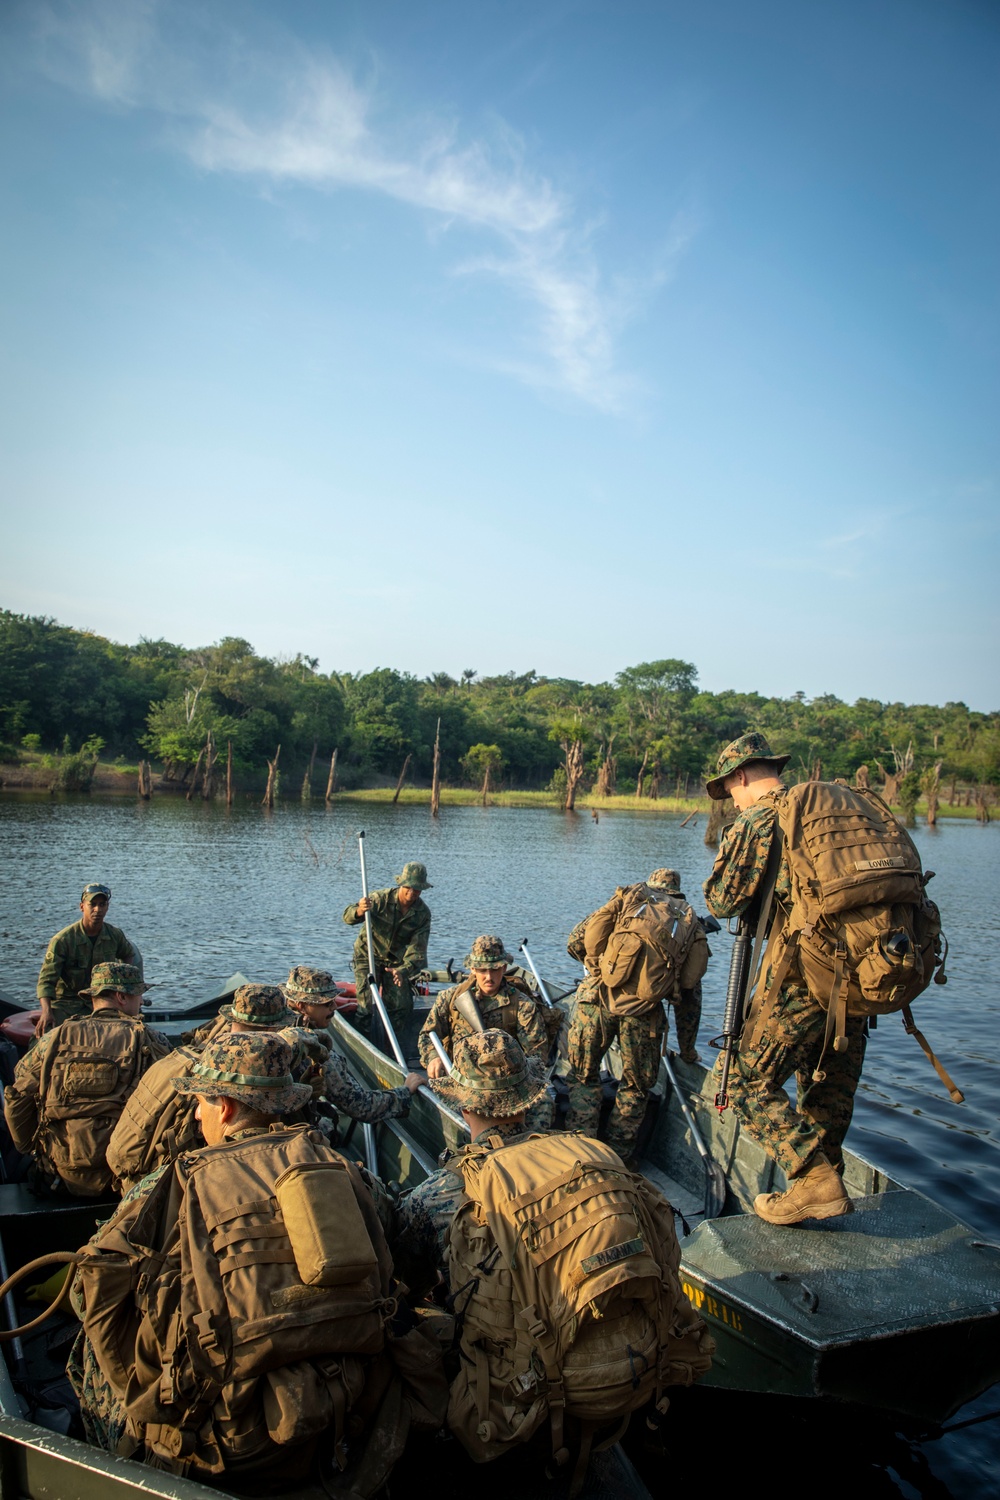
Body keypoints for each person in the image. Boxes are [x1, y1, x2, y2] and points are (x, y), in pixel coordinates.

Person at [70, 1031, 446, 1490]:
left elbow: (94, 1284)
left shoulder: (172, 1184)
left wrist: (140, 1383)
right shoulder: (345, 1171)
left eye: (202, 1103)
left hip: (222, 1439)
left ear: (225, 1108)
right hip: (344, 1413)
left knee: (83, 1351)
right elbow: (399, 1248)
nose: (195, 1112)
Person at [392, 1030, 712, 1474]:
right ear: (528, 1102)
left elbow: (405, 1280)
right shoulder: (596, 1156)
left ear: (463, 1106)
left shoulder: (444, 1192)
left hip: (520, 1397)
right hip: (630, 1370)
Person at [703, 731, 858, 1225]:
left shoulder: (762, 817)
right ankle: (820, 1193)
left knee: (745, 1081)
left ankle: (814, 1182)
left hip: (803, 976)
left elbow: (723, 901)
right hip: (862, 977)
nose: (730, 797)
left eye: (729, 788)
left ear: (741, 775)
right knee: (826, 1093)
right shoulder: (834, 811)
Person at [108, 979, 422, 1194]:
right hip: (232, 1168)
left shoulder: (199, 1046)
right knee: (326, 1128)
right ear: (275, 1026)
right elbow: (361, 1106)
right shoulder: (293, 1054)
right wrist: (405, 1092)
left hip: (151, 1172)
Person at [566, 868, 709, 1165]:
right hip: (645, 1012)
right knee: (635, 1089)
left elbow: (576, 941)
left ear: (650, 885)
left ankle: (579, 1157)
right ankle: (618, 1164)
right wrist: (687, 1048)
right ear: (678, 893)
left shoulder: (628, 900)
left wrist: (599, 968)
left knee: (584, 1077)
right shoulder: (688, 921)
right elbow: (690, 994)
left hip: (596, 998)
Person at [4, 961, 170, 1197]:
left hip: (58, 1175)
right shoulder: (150, 1040)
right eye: (138, 995)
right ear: (121, 997)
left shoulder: (53, 1040)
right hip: (124, 1182)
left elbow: (17, 1098)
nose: (141, 1002)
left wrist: (30, 1148)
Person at [418, 934, 552, 1130]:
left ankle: (527, 1146)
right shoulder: (451, 999)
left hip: (507, 1083)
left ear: (504, 968)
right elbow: (427, 1035)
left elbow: (537, 1055)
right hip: (462, 1081)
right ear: (472, 968)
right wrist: (432, 1057)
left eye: (495, 969)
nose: (488, 977)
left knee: (545, 1103)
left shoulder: (522, 1005)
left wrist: (513, 1076)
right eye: (482, 970)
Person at [343, 860, 432, 1045]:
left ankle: (394, 1047)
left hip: (395, 963)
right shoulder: (379, 899)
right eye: (408, 887)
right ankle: (362, 1045)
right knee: (366, 1006)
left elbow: (418, 950)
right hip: (368, 956)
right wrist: (359, 911)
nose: (412, 893)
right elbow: (347, 917)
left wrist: (404, 970)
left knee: (402, 1007)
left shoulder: (422, 913)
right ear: (401, 884)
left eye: (417, 889)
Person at [35, 883, 141, 1036]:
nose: (98, 909)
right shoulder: (63, 940)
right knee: (45, 1034)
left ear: (107, 907)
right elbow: (46, 981)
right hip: (68, 1002)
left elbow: (128, 954)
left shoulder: (114, 935)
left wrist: (125, 988)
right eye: (93, 904)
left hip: (102, 1001)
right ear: (82, 906)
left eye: (102, 904)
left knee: (130, 1033)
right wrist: (46, 1011)